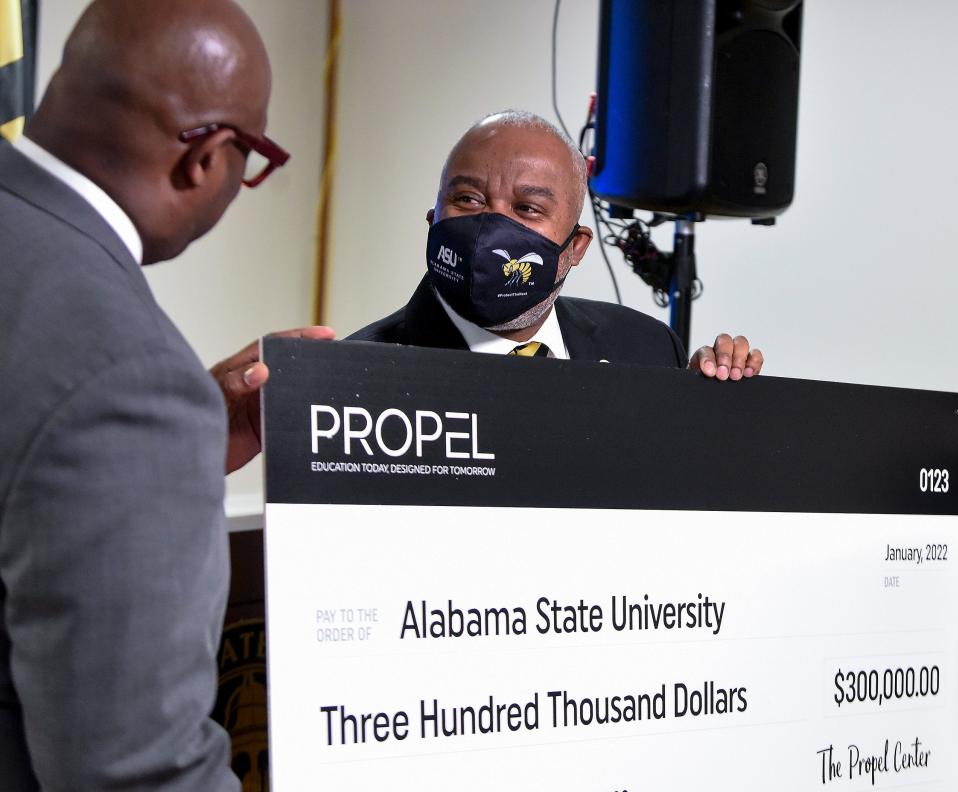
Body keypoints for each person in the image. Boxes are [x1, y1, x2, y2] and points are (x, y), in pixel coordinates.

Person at [0, 1, 328, 788]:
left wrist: (166, 461)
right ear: (209, 155)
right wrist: (155, 428)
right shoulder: (131, 379)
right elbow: (136, 770)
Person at [347, 110, 764, 377]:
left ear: (575, 248)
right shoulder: (359, 373)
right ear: (432, 218)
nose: (491, 226)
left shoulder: (647, 348)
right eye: (468, 199)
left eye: (527, 208)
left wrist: (701, 414)